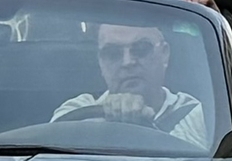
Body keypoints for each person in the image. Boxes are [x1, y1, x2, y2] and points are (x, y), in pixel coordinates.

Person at [48, 20, 211, 147]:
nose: (127, 62)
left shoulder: (198, 116)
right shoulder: (75, 111)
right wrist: (106, 117)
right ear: (101, 63)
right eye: (113, 53)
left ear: (164, 54)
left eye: (141, 48)